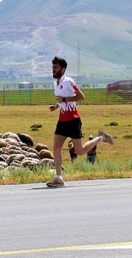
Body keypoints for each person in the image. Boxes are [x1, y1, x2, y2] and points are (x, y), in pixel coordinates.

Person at [47, 56, 113, 187]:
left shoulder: (68, 81)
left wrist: (64, 100)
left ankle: (101, 137)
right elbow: (62, 100)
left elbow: (81, 96)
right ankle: (58, 178)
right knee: (56, 147)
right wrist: (57, 106)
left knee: (80, 151)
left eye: (56, 67)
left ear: (63, 69)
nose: (53, 70)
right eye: (52, 67)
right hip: (62, 120)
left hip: (73, 120)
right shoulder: (56, 84)